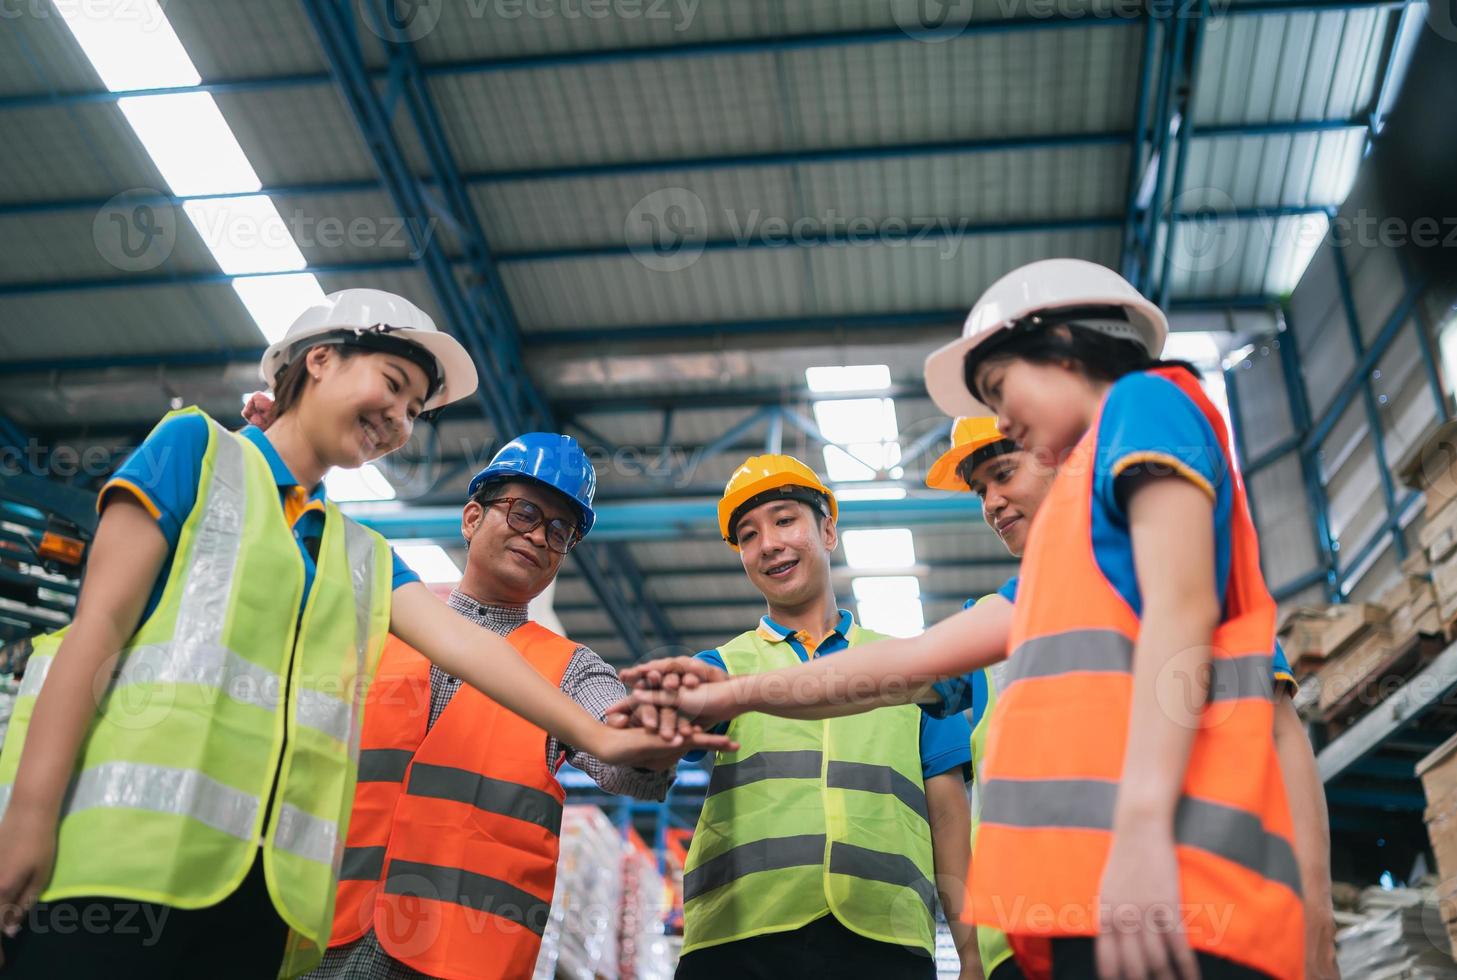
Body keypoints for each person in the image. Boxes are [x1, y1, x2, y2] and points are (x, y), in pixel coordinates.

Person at [621, 260, 1313, 978]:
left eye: (998, 390)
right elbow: (904, 664)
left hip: (1181, 886)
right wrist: (724, 694)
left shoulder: (1145, 399)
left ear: (1066, 345)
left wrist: (1141, 830)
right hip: (1093, 910)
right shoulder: (1057, 568)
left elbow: (1184, 605)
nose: (1002, 419)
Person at [0, 289, 720, 979]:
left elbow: (481, 654)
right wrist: (29, 816)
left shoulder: (366, 561)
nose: (400, 420)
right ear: (319, 360)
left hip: (306, 911)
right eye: (393, 384)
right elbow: (97, 630)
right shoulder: (208, 459)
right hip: (162, 875)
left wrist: (616, 736)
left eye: (413, 410)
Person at [311, 433, 687, 980]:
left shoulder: (571, 670)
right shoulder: (375, 623)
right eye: (524, 513)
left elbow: (623, 759)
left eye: (559, 531)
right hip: (324, 928)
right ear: (471, 519)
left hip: (458, 956)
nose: (538, 535)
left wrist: (653, 739)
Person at [664, 454, 977, 979]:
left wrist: (972, 954)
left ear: (828, 530)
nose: (768, 543)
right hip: (739, 940)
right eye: (748, 535)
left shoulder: (916, 670)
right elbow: (658, 750)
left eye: (785, 520)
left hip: (885, 941)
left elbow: (949, 819)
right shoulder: (721, 668)